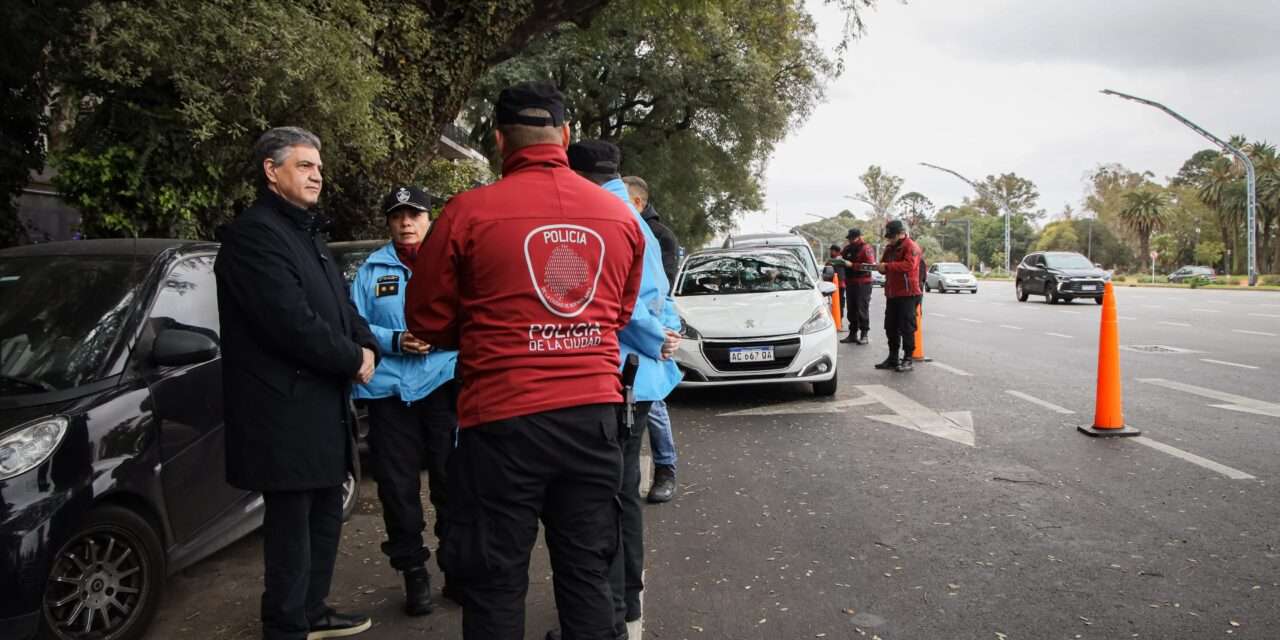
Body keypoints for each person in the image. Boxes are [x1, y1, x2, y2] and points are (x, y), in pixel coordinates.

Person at [404, 82, 648, 640]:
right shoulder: (620, 219)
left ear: (497, 140)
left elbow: (427, 321)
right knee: (587, 576)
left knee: (494, 584)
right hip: (593, 417)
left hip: (502, 422)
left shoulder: (468, 212)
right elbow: (617, 313)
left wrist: (490, 328)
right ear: (564, 135)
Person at [215, 126, 377, 640]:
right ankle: (285, 625)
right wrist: (354, 359)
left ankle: (312, 611)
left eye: (319, 168)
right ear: (271, 170)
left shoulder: (306, 231)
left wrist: (368, 343)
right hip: (282, 413)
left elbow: (341, 303)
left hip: (323, 407)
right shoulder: (254, 235)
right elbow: (290, 322)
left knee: (326, 514)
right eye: (305, 166)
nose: (317, 176)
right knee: (291, 531)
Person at [570, 143, 680, 633]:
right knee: (622, 497)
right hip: (640, 373)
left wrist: (658, 340)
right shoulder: (633, 217)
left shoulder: (602, 215)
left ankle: (615, 608)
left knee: (610, 501)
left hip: (623, 376)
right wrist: (666, 337)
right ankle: (625, 600)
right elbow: (660, 295)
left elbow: (627, 302)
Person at [349, 185, 460, 616]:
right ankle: (414, 571)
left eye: (414, 214)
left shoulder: (451, 264)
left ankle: (456, 569)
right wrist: (395, 340)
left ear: (429, 218)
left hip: (442, 387)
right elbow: (353, 324)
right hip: (389, 393)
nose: (406, 223)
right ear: (389, 222)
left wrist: (438, 338)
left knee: (453, 483)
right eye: (397, 216)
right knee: (397, 490)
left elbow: (472, 317)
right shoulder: (371, 271)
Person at [622, 175, 680, 505]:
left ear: (638, 203)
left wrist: (659, 335)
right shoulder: (624, 227)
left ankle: (665, 470)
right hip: (633, 335)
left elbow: (660, 294)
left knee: (654, 405)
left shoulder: (658, 236)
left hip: (651, 335)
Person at [874, 219, 923, 372]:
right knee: (891, 326)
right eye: (889, 236)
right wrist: (880, 267)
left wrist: (887, 266)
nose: (890, 239)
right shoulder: (889, 248)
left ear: (901, 234)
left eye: (892, 236)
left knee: (907, 327)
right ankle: (893, 358)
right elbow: (884, 266)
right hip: (892, 293)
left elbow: (909, 265)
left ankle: (908, 358)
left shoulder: (911, 246)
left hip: (908, 293)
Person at [842, 228, 877, 345]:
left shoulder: (866, 249)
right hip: (850, 282)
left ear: (859, 237)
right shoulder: (847, 249)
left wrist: (853, 265)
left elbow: (871, 266)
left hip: (863, 283)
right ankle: (852, 334)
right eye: (850, 238)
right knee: (851, 310)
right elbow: (840, 258)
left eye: (853, 238)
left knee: (862, 309)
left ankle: (864, 334)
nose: (851, 240)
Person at [825, 244, 849, 333]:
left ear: (837, 251)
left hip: (839, 286)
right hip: (832, 286)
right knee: (835, 304)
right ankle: (836, 322)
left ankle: (838, 322)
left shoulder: (839, 260)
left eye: (832, 250)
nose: (830, 252)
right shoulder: (835, 261)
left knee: (839, 304)